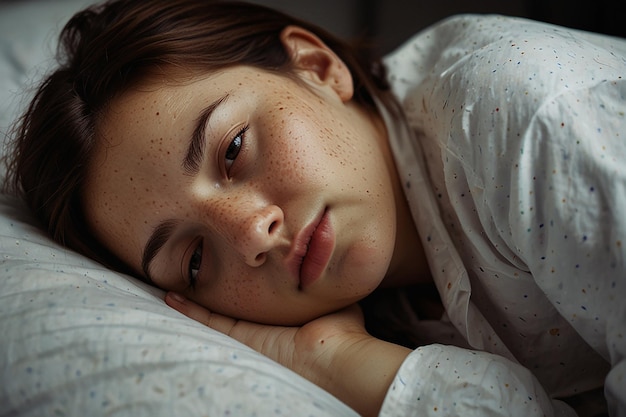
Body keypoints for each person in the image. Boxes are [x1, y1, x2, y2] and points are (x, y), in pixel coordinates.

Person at [4, 0, 625, 416]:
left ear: (317, 66)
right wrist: (339, 363)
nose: (250, 232)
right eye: (194, 261)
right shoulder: (376, 307)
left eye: (233, 149)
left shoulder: (527, 119)